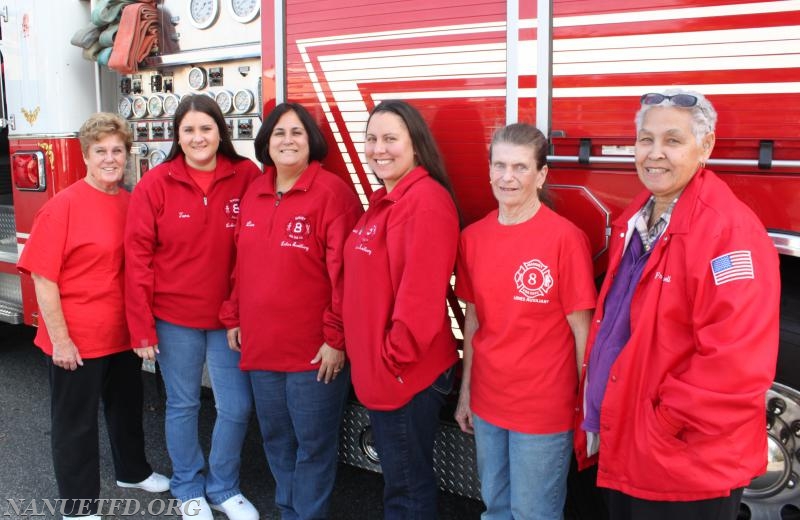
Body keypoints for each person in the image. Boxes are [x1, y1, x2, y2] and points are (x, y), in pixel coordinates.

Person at [575, 89, 781, 520]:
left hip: (681, 467)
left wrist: (661, 425)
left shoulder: (728, 234)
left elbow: (735, 363)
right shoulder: (638, 217)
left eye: (672, 141)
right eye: (645, 140)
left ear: (705, 147)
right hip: (632, 449)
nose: (654, 154)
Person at [17, 112, 169, 519]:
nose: (109, 158)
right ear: (85, 155)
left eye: (117, 150)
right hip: (77, 338)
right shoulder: (62, 207)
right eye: (100, 150)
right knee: (75, 425)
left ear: (127, 155)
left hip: (121, 334)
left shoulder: (131, 202)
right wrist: (61, 340)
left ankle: (132, 472)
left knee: (126, 407)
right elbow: (44, 279)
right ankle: (79, 507)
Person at [219, 102, 362, 519]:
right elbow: (240, 263)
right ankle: (288, 510)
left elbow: (345, 275)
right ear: (266, 142)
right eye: (279, 133)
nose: (287, 140)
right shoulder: (255, 192)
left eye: (297, 132)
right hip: (262, 346)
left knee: (313, 444)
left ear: (311, 141)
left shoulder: (332, 193)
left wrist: (336, 339)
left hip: (314, 352)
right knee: (277, 439)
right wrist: (234, 315)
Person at [124, 94, 261, 520]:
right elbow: (138, 258)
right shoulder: (156, 182)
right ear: (177, 136)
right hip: (173, 318)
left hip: (228, 319)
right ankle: (188, 486)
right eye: (188, 130)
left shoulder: (246, 175)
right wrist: (142, 328)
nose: (198, 137)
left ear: (221, 131)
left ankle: (223, 487)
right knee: (182, 405)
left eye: (206, 128)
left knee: (236, 407)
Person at [454, 123, 596, 520]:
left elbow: (581, 331)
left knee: (534, 512)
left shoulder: (564, 239)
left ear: (541, 174)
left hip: (543, 409)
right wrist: (466, 392)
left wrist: (588, 411)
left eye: (520, 167)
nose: (507, 177)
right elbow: (474, 320)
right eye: (499, 165)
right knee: (495, 507)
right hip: (487, 402)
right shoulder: (474, 237)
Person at [342, 99, 460, 519]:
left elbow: (421, 296)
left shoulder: (425, 201)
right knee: (399, 481)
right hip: (384, 373)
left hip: (405, 374)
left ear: (416, 145)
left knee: (407, 490)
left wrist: (393, 363)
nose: (379, 149)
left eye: (390, 139)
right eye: (371, 139)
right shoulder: (384, 199)